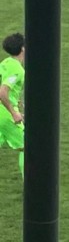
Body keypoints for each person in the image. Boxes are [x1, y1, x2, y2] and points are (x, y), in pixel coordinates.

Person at [0, 32, 26, 179]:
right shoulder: (17, 69)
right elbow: (3, 91)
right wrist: (13, 112)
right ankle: (31, 184)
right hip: (4, 112)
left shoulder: (5, 63)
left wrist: (16, 101)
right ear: (22, 49)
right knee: (27, 146)